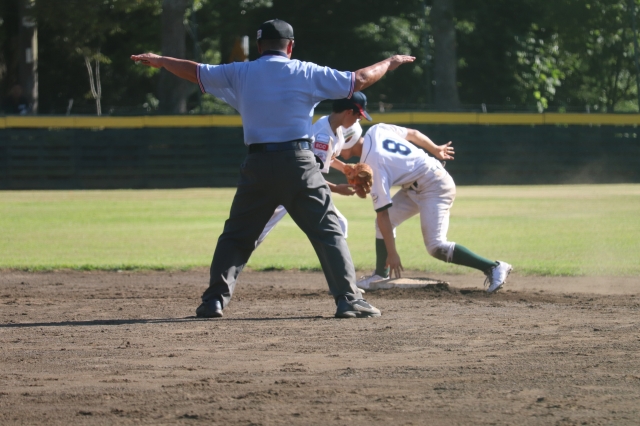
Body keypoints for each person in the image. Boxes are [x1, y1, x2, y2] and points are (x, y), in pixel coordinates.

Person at [131, 19, 415, 318]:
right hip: (298, 163)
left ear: (258, 47)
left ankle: (213, 300)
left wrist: (162, 60)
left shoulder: (240, 72)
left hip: (257, 164)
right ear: (290, 47)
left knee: (236, 236)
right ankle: (348, 300)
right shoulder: (305, 71)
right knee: (328, 231)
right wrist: (390, 62)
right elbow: (359, 79)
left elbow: (195, 70)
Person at [338, 122, 513, 293]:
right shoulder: (377, 130)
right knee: (383, 224)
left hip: (434, 186)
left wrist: (392, 253)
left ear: (348, 141)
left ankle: (493, 267)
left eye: (339, 143)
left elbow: (382, 214)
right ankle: (379, 275)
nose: (337, 148)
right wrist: (435, 149)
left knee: (436, 246)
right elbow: (413, 134)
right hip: (417, 183)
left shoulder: (373, 164)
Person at [255, 92, 370, 247]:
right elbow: (311, 176)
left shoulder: (332, 125)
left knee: (339, 224)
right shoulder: (323, 136)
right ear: (348, 112)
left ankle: (337, 263)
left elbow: (326, 158)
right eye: (358, 115)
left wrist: (344, 168)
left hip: (297, 183)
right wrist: (337, 188)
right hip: (289, 184)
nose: (359, 119)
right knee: (257, 231)